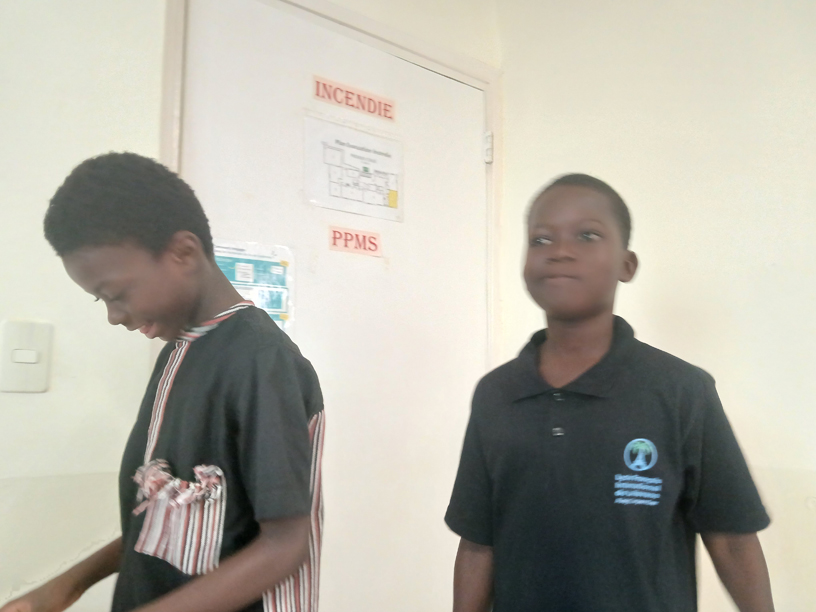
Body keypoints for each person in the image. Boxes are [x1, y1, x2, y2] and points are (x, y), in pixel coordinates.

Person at [1, 152, 325, 612]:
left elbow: (284, 546)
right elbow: (163, 520)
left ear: (183, 253)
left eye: (116, 295)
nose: (114, 316)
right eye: (100, 301)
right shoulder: (178, 353)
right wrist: (63, 587)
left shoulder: (261, 362)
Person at [445, 174, 774, 612]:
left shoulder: (681, 391)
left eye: (587, 235)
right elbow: (477, 544)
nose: (560, 250)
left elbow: (731, 540)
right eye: (541, 239)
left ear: (627, 264)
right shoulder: (496, 395)